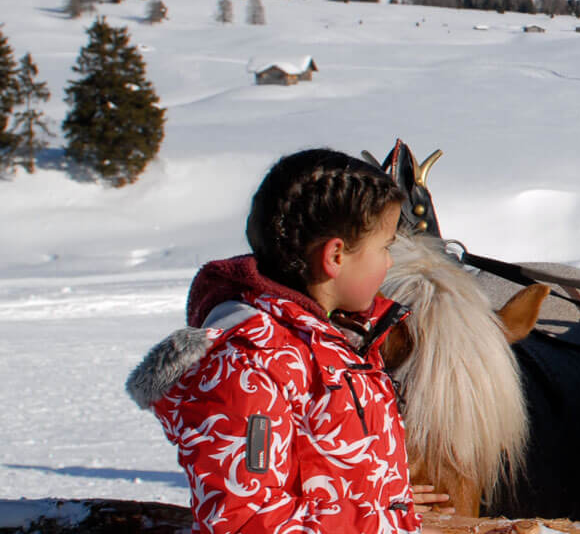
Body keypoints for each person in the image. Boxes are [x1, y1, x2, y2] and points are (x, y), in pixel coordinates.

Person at [127, 150, 441, 533]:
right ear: (336, 256)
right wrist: (381, 524)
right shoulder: (248, 367)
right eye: (386, 248)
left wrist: (387, 499)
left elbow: (319, 467)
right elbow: (243, 520)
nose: (389, 263)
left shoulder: (335, 343)